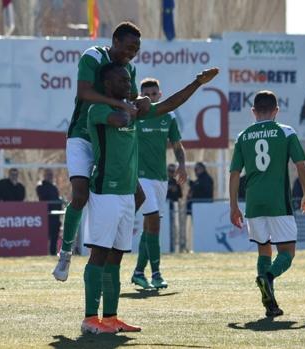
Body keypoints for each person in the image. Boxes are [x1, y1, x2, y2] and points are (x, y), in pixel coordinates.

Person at [80, 62, 219, 334]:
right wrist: (132, 106)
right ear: (108, 85)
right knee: (99, 254)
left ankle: (110, 318)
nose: (128, 85)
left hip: (126, 194)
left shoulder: (132, 108)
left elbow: (168, 105)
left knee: (116, 257)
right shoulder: (99, 109)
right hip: (105, 191)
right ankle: (89, 318)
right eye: (123, 81)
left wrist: (197, 83)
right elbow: (120, 120)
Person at [53, 21, 151, 281]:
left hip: (108, 139)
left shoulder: (129, 68)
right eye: (129, 47)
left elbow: (131, 100)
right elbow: (84, 92)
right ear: (115, 41)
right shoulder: (93, 56)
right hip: (82, 137)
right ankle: (65, 252)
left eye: (136, 50)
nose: (131, 53)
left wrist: (140, 101)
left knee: (138, 197)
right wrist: (120, 104)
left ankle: (106, 251)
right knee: (80, 195)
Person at [229, 90, 305, 318]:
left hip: (254, 203)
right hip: (278, 203)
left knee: (263, 249)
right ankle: (268, 277)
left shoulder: (243, 136)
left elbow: (235, 173)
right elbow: (301, 165)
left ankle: (270, 304)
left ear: (253, 111)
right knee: (287, 252)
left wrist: (233, 206)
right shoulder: (286, 132)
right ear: (276, 111)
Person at [131, 78, 187, 290]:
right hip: (140, 177)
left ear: (160, 95)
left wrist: (181, 164)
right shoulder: (135, 116)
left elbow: (177, 145)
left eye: (154, 94)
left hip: (161, 179)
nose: (151, 98)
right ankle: (156, 274)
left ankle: (138, 272)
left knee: (150, 227)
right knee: (153, 221)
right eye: (146, 95)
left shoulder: (169, 116)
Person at [36, 169, 63, 256]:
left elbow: (56, 199)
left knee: (54, 236)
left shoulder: (54, 187)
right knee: (45, 236)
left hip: (55, 216)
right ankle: (43, 252)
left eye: (51, 174)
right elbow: (43, 197)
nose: (50, 176)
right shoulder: (40, 187)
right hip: (46, 215)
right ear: (44, 176)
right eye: (48, 175)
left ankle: (53, 252)